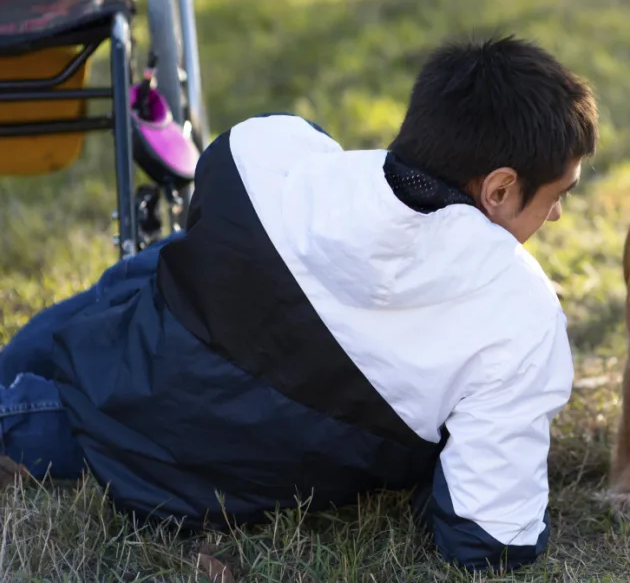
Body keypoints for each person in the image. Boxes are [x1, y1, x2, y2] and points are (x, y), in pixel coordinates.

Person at [0, 35, 598, 572]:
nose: (558, 214)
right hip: (145, 448)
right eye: (556, 195)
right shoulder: (518, 319)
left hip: (145, 346)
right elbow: (489, 539)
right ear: (499, 189)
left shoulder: (266, 153)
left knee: (158, 269)